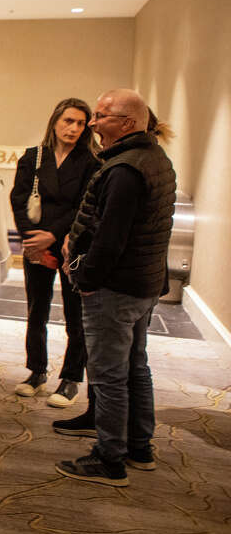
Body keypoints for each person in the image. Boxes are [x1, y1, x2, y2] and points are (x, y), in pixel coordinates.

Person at [55, 89, 175, 487]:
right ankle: (139, 446)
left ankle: (110, 458)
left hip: (117, 288)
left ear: (128, 124)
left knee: (109, 374)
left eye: (102, 116)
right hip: (143, 285)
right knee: (135, 366)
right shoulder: (156, 158)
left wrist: (85, 280)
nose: (92, 123)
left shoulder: (125, 170)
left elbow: (110, 239)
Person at [10, 98, 101, 407]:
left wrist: (52, 235)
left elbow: (83, 208)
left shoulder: (91, 161)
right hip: (37, 246)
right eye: (68, 121)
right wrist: (31, 240)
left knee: (76, 315)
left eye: (79, 123)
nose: (73, 128)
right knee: (37, 310)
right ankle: (36, 372)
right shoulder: (34, 157)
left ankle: (71, 378)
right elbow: (18, 197)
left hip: (73, 247)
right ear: (55, 122)